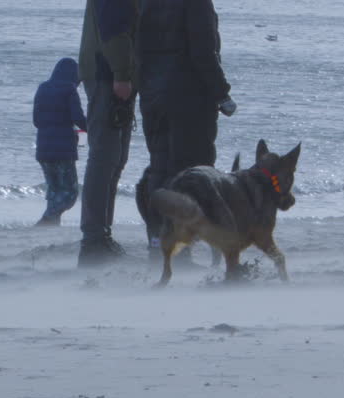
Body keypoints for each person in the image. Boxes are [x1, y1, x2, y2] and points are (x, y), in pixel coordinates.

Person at [136, 0, 236, 262]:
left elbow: (139, 47)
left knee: (159, 170)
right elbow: (203, 51)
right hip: (189, 97)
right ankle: (179, 249)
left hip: (153, 96)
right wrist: (221, 94)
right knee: (190, 175)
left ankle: (157, 242)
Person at [77, 0, 139, 266]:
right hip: (107, 76)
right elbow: (112, 29)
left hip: (112, 74)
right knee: (105, 158)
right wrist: (122, 74)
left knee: (114, 159)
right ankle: (93, 239)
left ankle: (101, 234)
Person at [33, 58, 87, 226]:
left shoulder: (42, 88)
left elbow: (36, 120)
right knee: (70, 194)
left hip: (43, 149)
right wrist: (92, 126)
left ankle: (52, 227)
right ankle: (47, 219)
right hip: (63, 150)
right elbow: (78, 119)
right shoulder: (69, 90)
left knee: (54, 190)